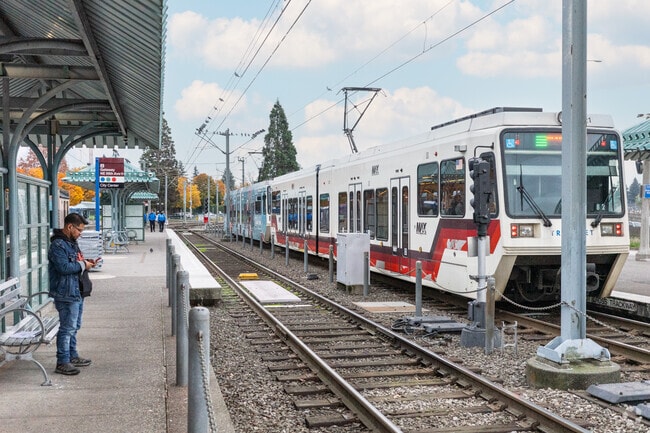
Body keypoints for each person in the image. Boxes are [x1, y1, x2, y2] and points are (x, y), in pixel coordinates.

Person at [48, 213, 96, 375]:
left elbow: (74, 263)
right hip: (66, 293)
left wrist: (86, 262)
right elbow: (64, 268)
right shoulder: (58, 245)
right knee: (67, 328)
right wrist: (83, 264)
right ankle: (62, 361)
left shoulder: (71, 243)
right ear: (70, 227)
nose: (80, 233)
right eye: (79, 230)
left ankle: (72, 355)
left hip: (76, 291)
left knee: (74, 326)